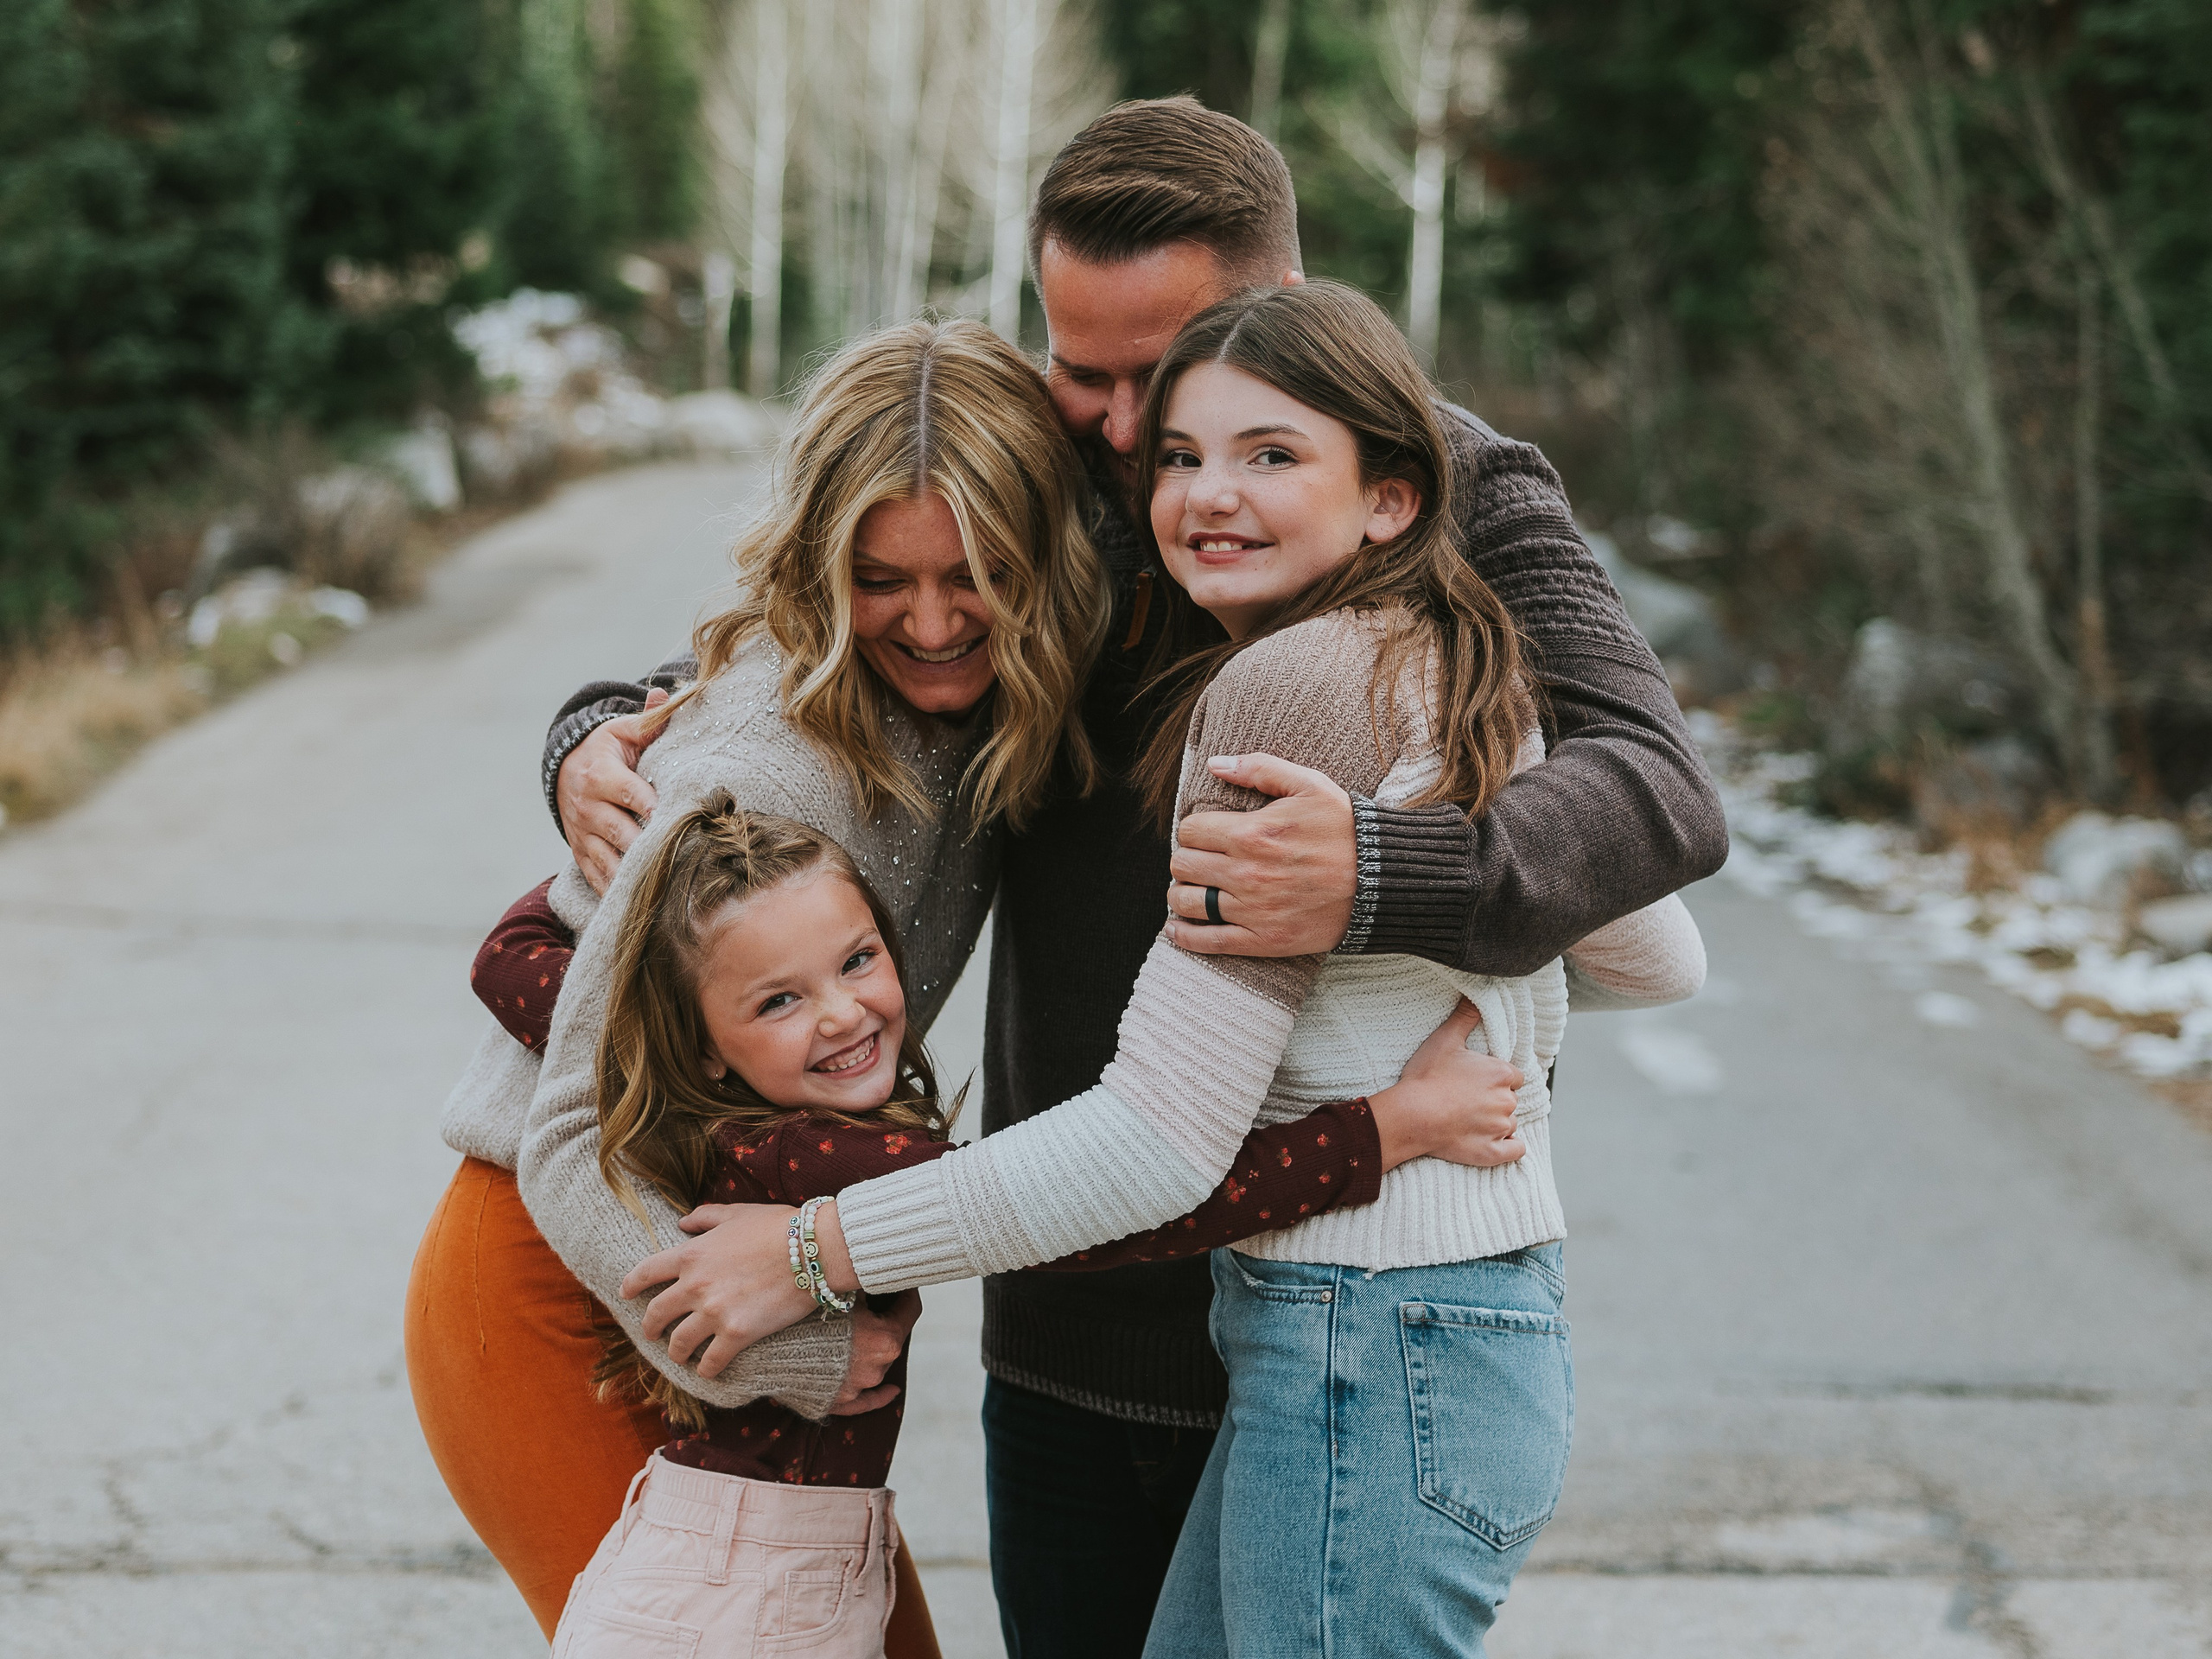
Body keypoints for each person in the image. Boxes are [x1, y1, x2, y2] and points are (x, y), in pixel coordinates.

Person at [547, 97, 1727, 1659]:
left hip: (1329, 1306)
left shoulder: (1453, 497)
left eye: (1157, 379)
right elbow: (845, 626)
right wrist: (589, 736)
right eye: (1079, 370)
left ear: (1283, 324)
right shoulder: (1095, 466)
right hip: (1080, 1319)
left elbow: (1657, 800)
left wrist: (1375, 872)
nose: (1113, 431)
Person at [409, 311, 1512, 1644]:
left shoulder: (1004, 700)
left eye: (975, 573)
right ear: (823, 564)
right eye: (882, 580)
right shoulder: (764, 773)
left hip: (748, 1256)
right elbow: (575, 1120)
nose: (932, 623)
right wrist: (793, 1345)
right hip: (569, 1275)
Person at [493, 797, 1527, 1656]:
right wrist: (1382, 1129)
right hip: (755, 1584)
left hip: (719, 1554)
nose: (843, 1014)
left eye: (856, 961)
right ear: (703, 1044)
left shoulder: (720, 1113)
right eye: (778, 1001)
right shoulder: (813, 1156)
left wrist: (650, 811)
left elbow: (513, 958)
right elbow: (1107, 1214)